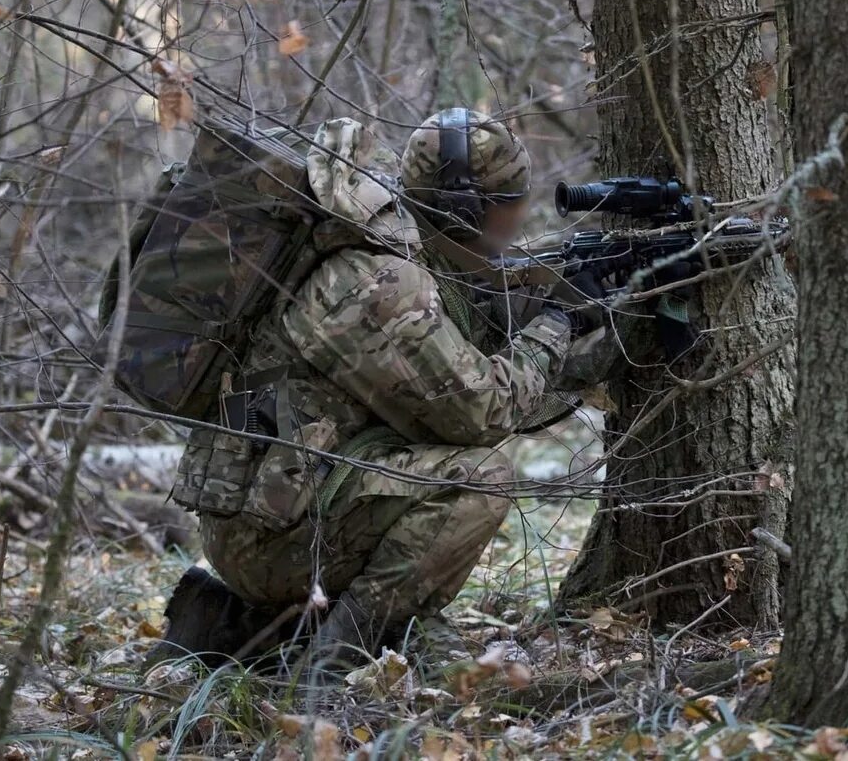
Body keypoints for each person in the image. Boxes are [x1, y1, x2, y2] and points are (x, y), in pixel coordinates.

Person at [154, 108, 612, 681]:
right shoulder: (378, 281)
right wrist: (557, 324)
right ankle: (331, 666)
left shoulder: (397, 252)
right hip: (271, 539)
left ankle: (249, 628)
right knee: (478, 478)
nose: (521, 216)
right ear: (469, 212)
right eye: (513, 201)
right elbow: (481, 412)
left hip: (276, 509)